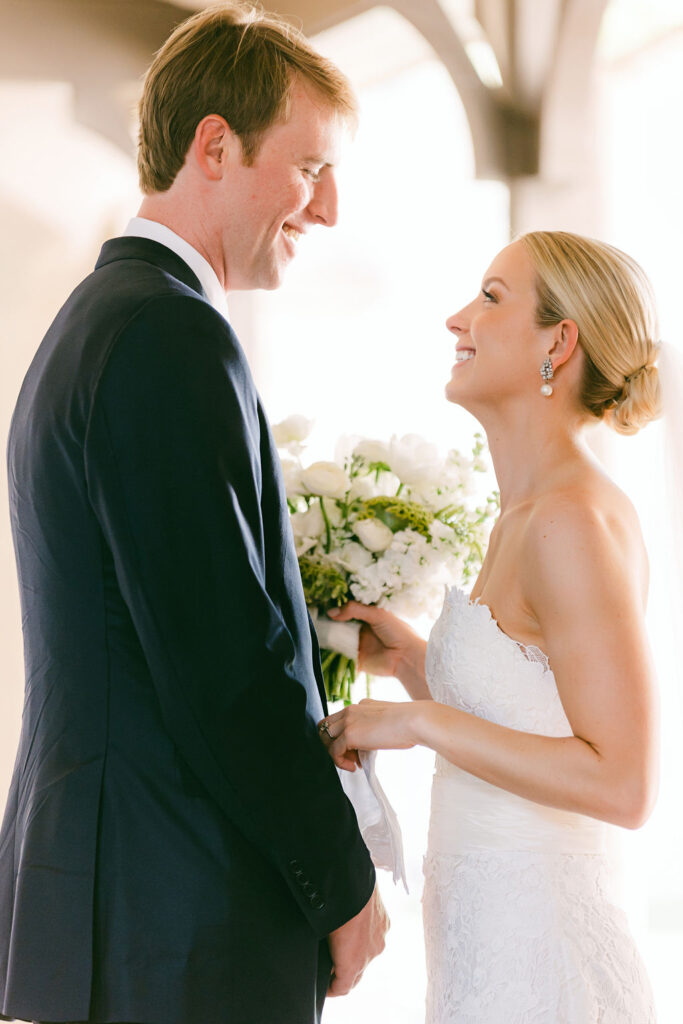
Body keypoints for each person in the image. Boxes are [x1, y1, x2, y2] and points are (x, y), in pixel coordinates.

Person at [0, 5, 388, 1024]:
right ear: (214, 145)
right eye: (311, 168)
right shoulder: (168, 336)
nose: (331, 209)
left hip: (122, 909)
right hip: (180, 917)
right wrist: (339, 883)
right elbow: (219, 665)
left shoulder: (97, 324)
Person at [321, 230, 661, 1022]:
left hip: (540, 960)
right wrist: (411, 662)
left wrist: (416, 720)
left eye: (490, 297)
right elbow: (534, 711)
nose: (456, 319)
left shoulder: (569, 521)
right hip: (482, 947)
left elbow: (623, 782)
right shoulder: (523, 515)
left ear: (559, 342)